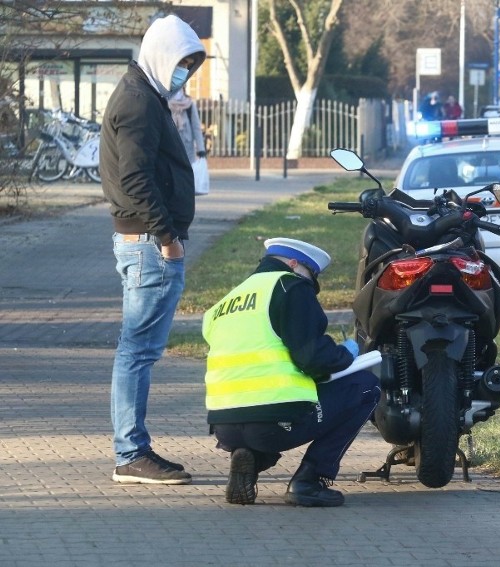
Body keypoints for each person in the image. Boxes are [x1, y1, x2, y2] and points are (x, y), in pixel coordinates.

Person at [99, 14, 206, 485]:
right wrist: (167, 239)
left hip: (148, 242)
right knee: (137, 352)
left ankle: (133, 450)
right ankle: (131, 453)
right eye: (182, 63)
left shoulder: (147, 95)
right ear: (162, 55)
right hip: (149, 244)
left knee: (138, 350)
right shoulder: (139, 101)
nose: (185, 74)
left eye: (191, 65)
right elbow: (135, 178)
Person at [202, 238, 380, 507]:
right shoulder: (290, 287)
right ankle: (309, 480)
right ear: (295, 264)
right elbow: (313, 359)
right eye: (312, 276)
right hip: (274, 423)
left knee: (266, 417)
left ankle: (252, 458)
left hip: (224, 427)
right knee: (366, 386)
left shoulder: (223, 304)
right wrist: (346, 354)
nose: (311, 285)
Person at [168, 88, 207, 163]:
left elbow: (196, 128)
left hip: (187, 147)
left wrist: (201, 149)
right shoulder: (165, 102)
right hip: (170, 146)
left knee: (188, 171)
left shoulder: (189, 104)